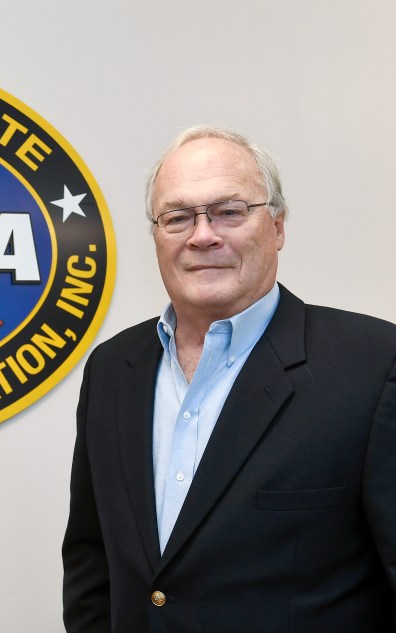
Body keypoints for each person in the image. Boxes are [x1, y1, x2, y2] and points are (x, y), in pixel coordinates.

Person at [62, 125, 396, 632]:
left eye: (229, 211)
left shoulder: (373, 366)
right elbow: (93, 564)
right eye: (178, 217)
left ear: (278, 226)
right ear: (156, 236)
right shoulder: (112, 369)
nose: (202, 235)